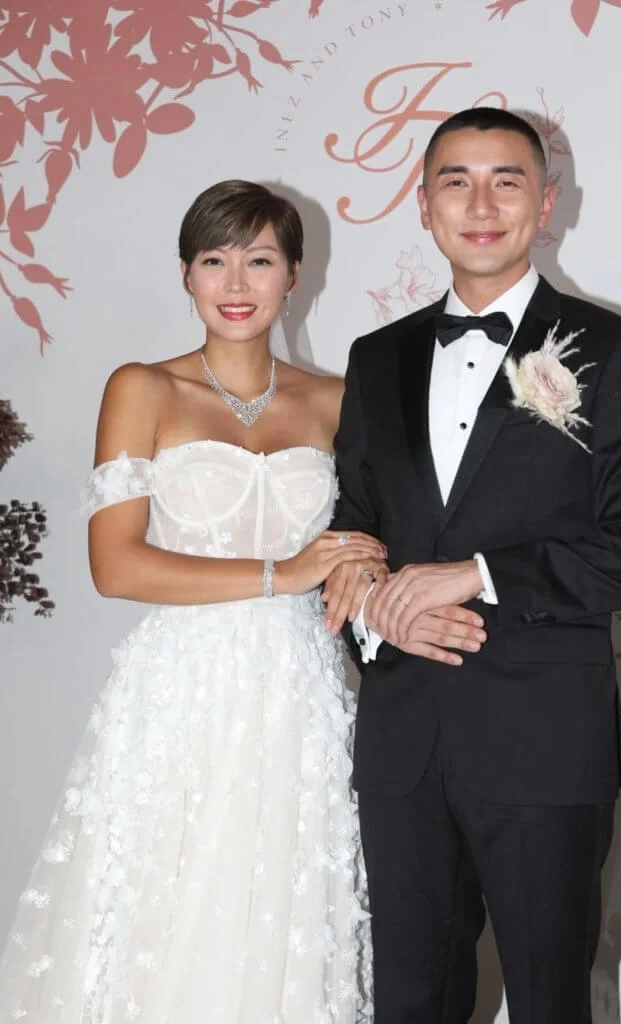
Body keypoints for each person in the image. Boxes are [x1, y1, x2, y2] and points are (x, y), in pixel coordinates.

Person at [324, 108, 621, 1023]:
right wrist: (379, 612)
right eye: (456, 181)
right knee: (408, 1003)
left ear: (546, 204)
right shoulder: (375, 359)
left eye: (506, 181)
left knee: (549, 1004)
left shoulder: (614, 349)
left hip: (542, 742)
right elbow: (352, 530)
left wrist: (478, 574)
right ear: (424, 205)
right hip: (403, 741)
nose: (480, 205)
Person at [0, 180, 388, 1023]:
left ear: (295, 274)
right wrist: (283, 573)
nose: (236, 283)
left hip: (300, 695)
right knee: (163, 910)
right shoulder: (144, 389)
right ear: (186, 274)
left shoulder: (337, 402)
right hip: (179, 688)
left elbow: (364, 544)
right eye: (215, 260)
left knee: (280, 911)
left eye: (260, 260)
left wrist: (358, 572)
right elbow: (116, 566)